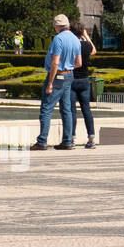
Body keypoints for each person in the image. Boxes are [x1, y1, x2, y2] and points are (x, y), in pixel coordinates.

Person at [31, 15, 81, 151]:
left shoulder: (58, 39)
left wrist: (50, 83)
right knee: (67, 109)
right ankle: (67, 141)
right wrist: (68, 69)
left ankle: (42, 141)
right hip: (69, 75)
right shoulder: (76, 39)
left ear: (57, 26)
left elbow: (55, 62)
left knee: (46, 109)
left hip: (58, 76)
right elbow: (79, 63)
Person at [71, 22, 98, 148]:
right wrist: (86, 36)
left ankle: (71, 138)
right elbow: (94, 51)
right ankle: (91, 137)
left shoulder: (72, 45)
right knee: (86, 109)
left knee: (72, 110)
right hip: (84, 80)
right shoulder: (86, 45)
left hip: (72, 79)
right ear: (81, 32)